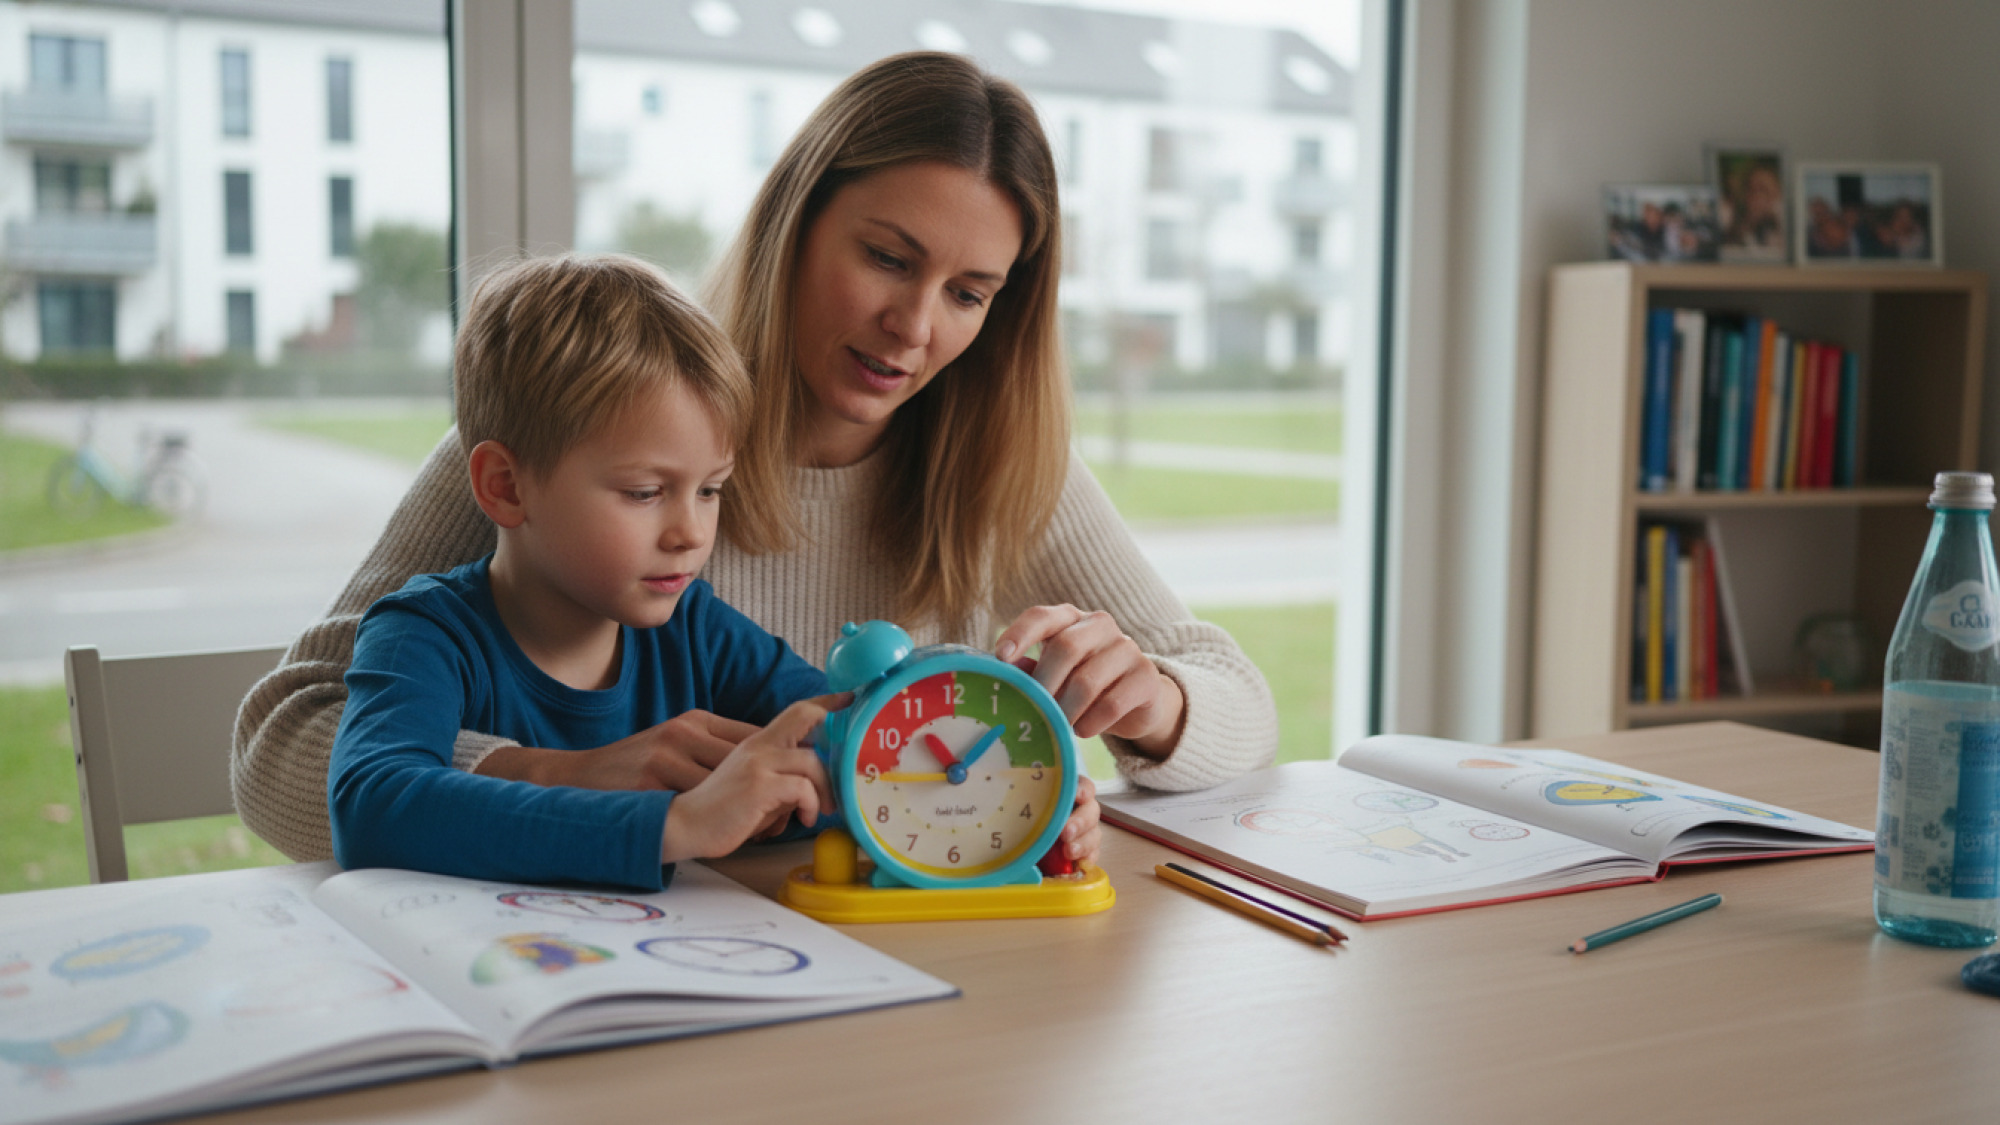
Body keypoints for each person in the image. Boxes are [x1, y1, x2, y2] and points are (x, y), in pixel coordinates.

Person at [234, 50, 1275, 866]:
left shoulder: (997, 463)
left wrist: (1149, 706)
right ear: (795, 220)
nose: (914, 327)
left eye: (968, 293)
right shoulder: (587, 418)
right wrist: (562, 773)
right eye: (886, 257)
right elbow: (284, 746)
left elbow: (1239, 702)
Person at [329, 255, 840, 889]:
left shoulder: (698, 630)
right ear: (507, 486)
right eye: (646, 492)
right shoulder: (423, 635)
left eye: (711, 490)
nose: (692, 533)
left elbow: (844, 740)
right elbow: (372, 806)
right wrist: (674, 826)